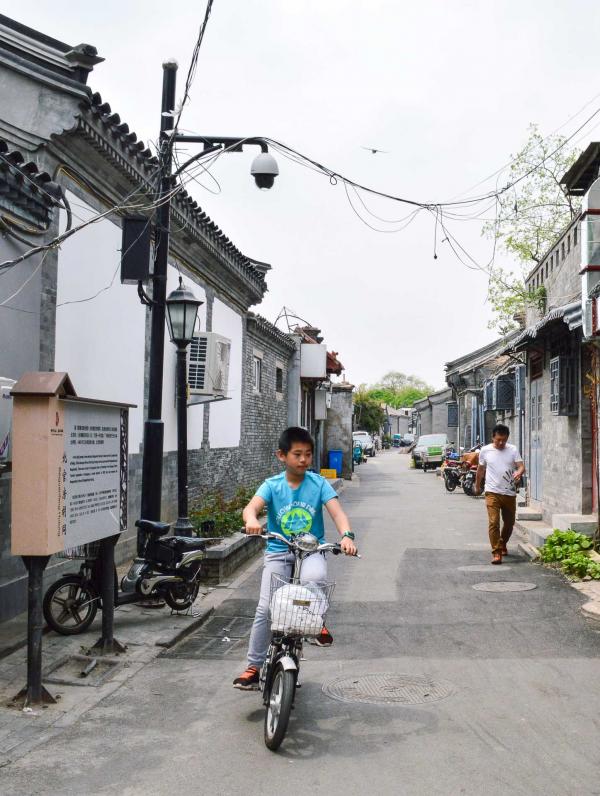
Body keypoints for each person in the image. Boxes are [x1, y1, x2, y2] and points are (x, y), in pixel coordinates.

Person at [233, 426, 357, 690]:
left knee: (315, 577)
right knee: (266, 608)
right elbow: (251, 507)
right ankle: (253, 666)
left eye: (308, 454)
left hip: (311, 550)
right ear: (282, 455)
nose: (303, 460)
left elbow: (337, 513)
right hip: (279, 550)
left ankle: (318, 622)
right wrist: (253, 519)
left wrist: (347, 535)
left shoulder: (319, 483)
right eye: (297, 454)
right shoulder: (272, 485)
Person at [475, 423, 525, 565]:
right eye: (498, 440)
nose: (501, 443)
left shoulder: (513, 450)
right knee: (493, 522)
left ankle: (502, 543)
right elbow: (480, 470)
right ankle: (496, 552)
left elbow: (521, 466)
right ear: (493, 438)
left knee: (509, 523)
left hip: (509, 492)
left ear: (507, 438)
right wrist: (477, 486)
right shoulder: (485, 451)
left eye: (504, 440)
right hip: (492, 492)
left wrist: (519, 472)